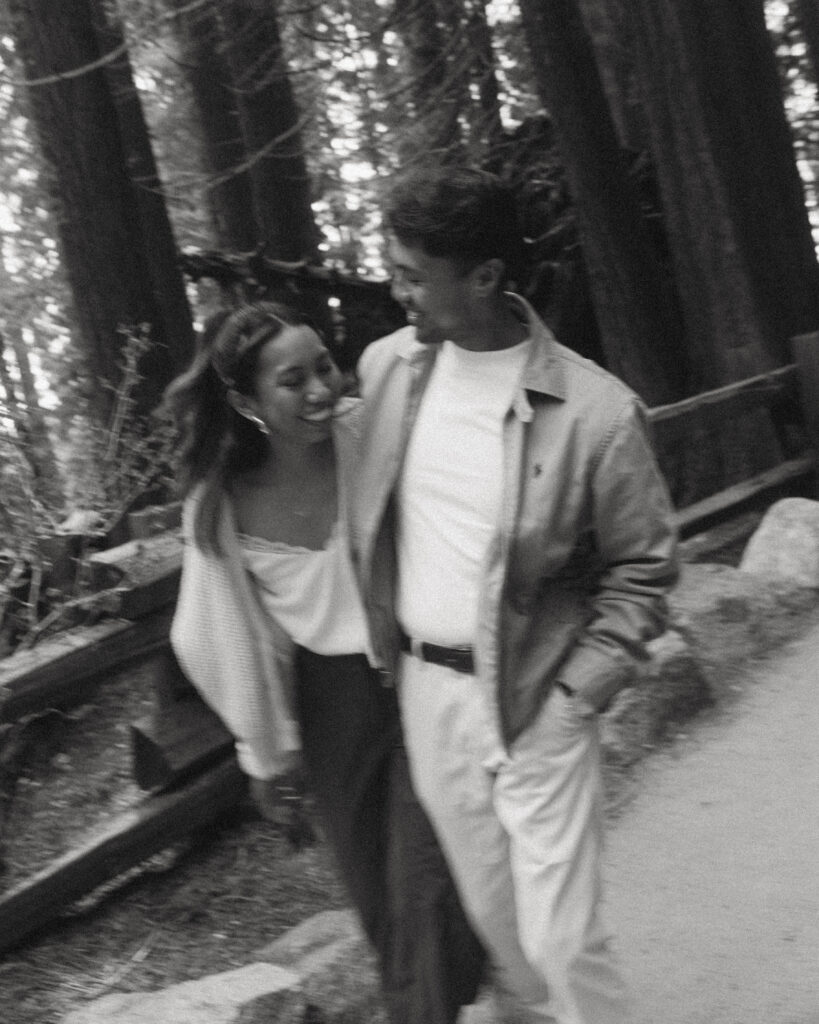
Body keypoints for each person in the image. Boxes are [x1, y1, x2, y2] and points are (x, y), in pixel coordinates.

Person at [351, 166, 680, 1024]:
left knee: (563, 940)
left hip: (536, 694)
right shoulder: (387, 370)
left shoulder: (597, 412)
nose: (395, 292)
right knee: (503, 934)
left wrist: (578, 694)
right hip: (429, 696)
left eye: (412, 276)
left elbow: (644, 567)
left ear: (486, 277)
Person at [164, 300, 485, 1024]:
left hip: (422, 673)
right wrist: (264, 754)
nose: (320, 390)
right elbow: (219, 636)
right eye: (292, 381)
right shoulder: (218, 504)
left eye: (324, 367)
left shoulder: (370, 433)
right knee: (381, 902)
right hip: (331, 706)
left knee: (426, 879)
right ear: (245, 402)